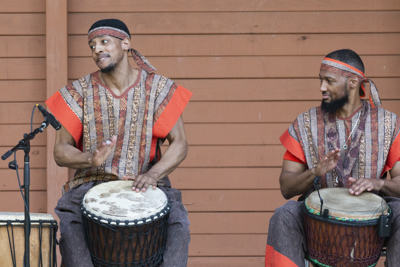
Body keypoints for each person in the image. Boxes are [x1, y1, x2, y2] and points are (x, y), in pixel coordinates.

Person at [45, 19, 192, 267]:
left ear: (126, 44)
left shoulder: (157, 89)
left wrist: (154, 173)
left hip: (146, 185)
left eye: (104, 42)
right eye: (92, 45)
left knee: (179, 225)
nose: (97, 49)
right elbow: (60, 151)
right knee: (71, 230)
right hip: (89, 186)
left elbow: (180, 143)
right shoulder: (78, 92)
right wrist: (89, 158)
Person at [265, 49, 400, 267]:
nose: (322, 88)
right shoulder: (305, 123)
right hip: (317, 218)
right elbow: (286, 187)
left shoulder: (389, 124)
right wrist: (314, 172)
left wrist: (379, 183)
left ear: (353, 81)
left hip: (374, 220)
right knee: (283, 216)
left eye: (329, 81)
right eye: (321, 80)